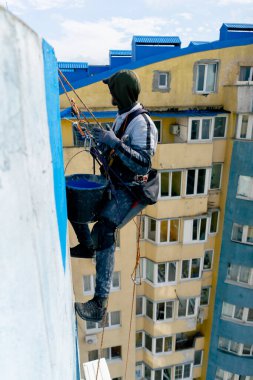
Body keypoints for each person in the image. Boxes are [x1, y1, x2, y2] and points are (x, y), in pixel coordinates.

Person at [74, 69, 158, 322]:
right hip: (117, 183)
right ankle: (88, 247)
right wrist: (97, 142)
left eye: (112, 89)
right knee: (78, 203)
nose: (110, 93)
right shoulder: (123, 117)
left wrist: (115, 144)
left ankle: (100, 304)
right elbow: (115, 151)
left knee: (107, 227)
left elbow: (143, 163)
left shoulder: (142, 123)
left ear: (121, 91)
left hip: (132, 189)